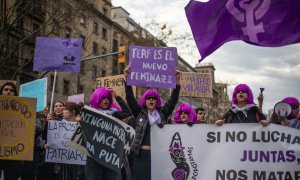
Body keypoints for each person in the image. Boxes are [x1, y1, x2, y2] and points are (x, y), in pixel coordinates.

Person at [124, 67, 181, 180]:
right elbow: (130, 98)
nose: (151, 100)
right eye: (148, 98)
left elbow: (173, 99)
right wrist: (127, 80)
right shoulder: (139, 113)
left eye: (154, 98)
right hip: (141, 157)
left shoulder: (162, 114)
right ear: (145, 101)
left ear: (157, 101)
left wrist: (177, 82)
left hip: (158, 156)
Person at [85, 87, 131, 180]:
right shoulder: (89, 113)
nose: (106, 100)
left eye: (108, 98)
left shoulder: (114, 113)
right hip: (94, 155)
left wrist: (116, 96)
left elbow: (127, 112)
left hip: (110, 157)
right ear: (97, 98)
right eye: (103, 98)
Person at [0, 81, 24, 180]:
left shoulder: (23, 108)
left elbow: (36, 125)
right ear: (1, 92)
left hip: (13, 154)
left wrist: (33, 129)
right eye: (6, 90)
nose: (8, 92)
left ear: (15, 93)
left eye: (11, 90)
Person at [37, 100, 65, 180]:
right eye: (56, 106)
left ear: (64, 108)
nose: (58, 107)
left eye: (60, 106)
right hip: (49, 153)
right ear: (54, 109)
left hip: (61, 155)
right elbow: (43, 136)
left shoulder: (67, 121)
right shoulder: (49, 120)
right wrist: (46, 122)